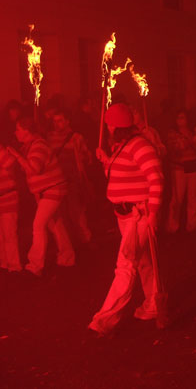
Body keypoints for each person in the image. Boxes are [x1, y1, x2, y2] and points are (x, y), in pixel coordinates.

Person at [88, 103, 164, 336]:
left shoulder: (140, 146)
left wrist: (152, 214)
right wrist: (106, 161)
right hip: (124, 215)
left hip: (138, 216)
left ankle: (104, 319)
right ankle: (153, 305)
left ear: (115, 126)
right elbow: (121, 175)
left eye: (109, 124)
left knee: (125, 266)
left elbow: (156, 179)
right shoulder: (123, 146)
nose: (107, 127)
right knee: (143, 262)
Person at [7, 117, 75, 277]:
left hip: (52, 190)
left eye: (18, 129)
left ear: (27, 131)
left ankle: (35, 265)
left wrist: (17, 156)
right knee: (55, 225)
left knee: (38, 226)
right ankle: (67, 257)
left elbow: (34, 169)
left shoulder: (39, 145)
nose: (15, 132)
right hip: (45, 191)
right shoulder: (29, 146)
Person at [47, 109, 93, 244]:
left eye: (60, 121)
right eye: (54, 121)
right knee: (60, 214)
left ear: (67, 121)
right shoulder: (49, 137)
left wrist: (82, 158)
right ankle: (69, 242)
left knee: (76, 212)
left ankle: (85, 239)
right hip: (56, 182)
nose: (57, 124)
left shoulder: (76, 137)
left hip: (72, 180)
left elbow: (87, 157)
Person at [165, 109, 196, 234]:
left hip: (195, 169)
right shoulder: (172, 134)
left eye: (183, 117)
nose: (180, 120)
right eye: (178, 117)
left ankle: (192, 226)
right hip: (179, 169)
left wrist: (194, 139)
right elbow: (175, 149)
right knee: (177, 199)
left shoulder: (195, 132)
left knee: (193, 198)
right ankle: (172, 227)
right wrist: (190, 140)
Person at [0, 143, 21, 272]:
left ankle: (14, 266)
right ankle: (3, 264)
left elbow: (12, 165)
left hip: (7, 197)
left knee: (9, 234)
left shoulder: (1, 153)